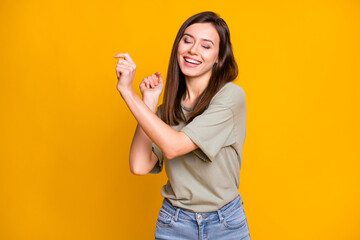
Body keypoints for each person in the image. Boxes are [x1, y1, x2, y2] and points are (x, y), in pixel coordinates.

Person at [114, 11, 250, 240]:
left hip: (225, 225)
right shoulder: (168, 109)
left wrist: (126, 92)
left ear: (219, 57)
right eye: (187, 40)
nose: (193, 50)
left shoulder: (230, 97)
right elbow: (139, 165)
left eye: (206, 46)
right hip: (174, 224)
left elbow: (174, 146)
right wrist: (148, 101)